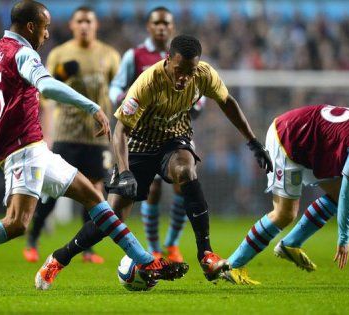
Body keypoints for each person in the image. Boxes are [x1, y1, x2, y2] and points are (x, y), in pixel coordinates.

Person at [0, 1, 187, 297]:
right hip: (22, 150)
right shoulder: (23, 53)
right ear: (31, 26)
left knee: (94, 196)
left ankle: (146, 261)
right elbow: (46, 86)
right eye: (44, 28)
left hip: (36, 148)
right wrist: (91, 105)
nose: (46, 35)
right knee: (17, 223)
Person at [36, 34, 272, 288]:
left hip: (174, 142)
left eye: (190, 72)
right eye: (179, 70)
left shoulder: (204, 75)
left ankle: (206, 253)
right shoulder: (147, 82)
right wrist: (125, 172)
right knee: (110, 219)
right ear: (168, 60)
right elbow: (120, 131)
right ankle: (58, 259)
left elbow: (227, 102)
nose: (184, 77)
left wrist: (253, 142)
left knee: (185, 171)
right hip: (138, 146)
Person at [221, 105, 349, 285]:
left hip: (309, 144)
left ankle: (290, 244)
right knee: (284, 214)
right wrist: (344, 239)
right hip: (288, 138)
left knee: (335, 195)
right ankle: (231, 266)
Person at [23, 6, 120, 264]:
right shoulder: (59, 53)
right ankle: (33, 238)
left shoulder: (109, 55)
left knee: (95, 192)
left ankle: (87, 249)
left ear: (96, 25)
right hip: (67, 133)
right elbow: (44, 89)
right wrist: (64, 74)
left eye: (89, 20)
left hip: (96, 136)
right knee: (55, 190)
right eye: (80, 21)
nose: (85, 25)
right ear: (72, 26)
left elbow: (116, 90)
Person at [109, 6, 199, 263]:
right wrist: (127, 101)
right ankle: (154, 246)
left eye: (166, 24)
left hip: (177, 129)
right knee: (153, 189)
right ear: (149, 27)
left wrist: (198, 102)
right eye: (156, 23)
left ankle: (172, 244)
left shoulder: (185, 57)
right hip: (144, 134)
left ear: (172, 27)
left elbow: (199, 90)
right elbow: (115, 87)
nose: (161, 27)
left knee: (186, 181)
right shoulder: (134, 55)